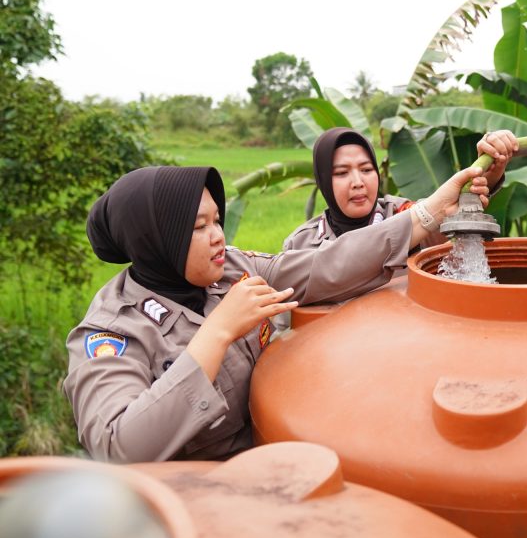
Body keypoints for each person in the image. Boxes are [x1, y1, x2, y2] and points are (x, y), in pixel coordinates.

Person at [64, 162, 494, 464]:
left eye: (217, 220)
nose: (218, 237)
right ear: (153, 242)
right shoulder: (113, 331)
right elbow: (117, 447)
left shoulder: (232, 268)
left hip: (276, 458)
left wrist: (427, 214)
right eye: (198, 227)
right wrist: (215, 334)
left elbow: (322, 267)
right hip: (196, 503)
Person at [283, 127, 518, 252]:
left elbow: (445, 216)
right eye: (342, 173)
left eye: (366, 169)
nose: (358, 182)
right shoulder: (301, 245)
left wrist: (490, 169)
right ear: (323, 181)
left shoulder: (404, 214)